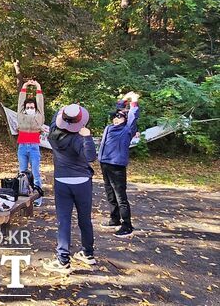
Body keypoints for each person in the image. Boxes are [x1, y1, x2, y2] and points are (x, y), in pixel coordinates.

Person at [43, 104, 97, 274]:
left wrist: (64, 111)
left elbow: (55, 118)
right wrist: (88, 137)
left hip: (61, 182)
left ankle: (63, 260)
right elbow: (91, 157)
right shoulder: (79, 139)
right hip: (82, 183)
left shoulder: (53, 134)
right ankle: (88, 253)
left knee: (64, 221)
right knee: (84, 219)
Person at [98, 91, 140, 238]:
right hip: (104, 163)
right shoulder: (110, 128)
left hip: (116, 166)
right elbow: (118, 110)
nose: (116, 119)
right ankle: (114, 219)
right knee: (110, 194)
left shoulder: (127, 130)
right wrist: (123, 99)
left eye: (120, 117)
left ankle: (127, 225)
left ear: (126, 119)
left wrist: (134, 101)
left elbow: (133, 116)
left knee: (120, 196)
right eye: (115, 116)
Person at [17, 79, 46, 206]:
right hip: (22, 147)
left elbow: (40, 103)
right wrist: (24, 87)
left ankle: (37, 198)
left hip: (34, 147)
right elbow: (20, 103)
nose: (30, 108)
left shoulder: (39, 115)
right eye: (28, 107)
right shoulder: (21, 114)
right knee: (22, 173)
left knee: (36, 173)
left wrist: (38, 87)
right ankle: (23, 197)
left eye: (32, 107)